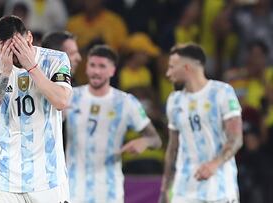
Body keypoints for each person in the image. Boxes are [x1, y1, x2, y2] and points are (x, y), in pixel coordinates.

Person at [0, 15, 72, 203]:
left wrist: (32, 67)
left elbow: (61, 101)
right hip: (7, 180)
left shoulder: (55, 60)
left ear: (29, 37)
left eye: (18, 47)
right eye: (8, 50)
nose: (16, 56)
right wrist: (4, 75)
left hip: (48, 179)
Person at [65, 45, 162, 203]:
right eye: (92, 65)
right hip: (73, 187)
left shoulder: (125, 102)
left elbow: (155, 139)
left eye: (102, 66)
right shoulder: (70, 97)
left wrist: (145, 141)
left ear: (112, 70)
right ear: (87, 68)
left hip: (109, 189)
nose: (96, 71)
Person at [159, 43, 243, 203]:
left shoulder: (222, 92)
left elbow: (236, 139)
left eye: (172, 67)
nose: (168, 73)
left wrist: (214, 164)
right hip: (184, 191)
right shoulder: (174, 101)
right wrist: (165, 188)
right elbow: (173, 148)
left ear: (187, 67)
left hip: (219, 188)